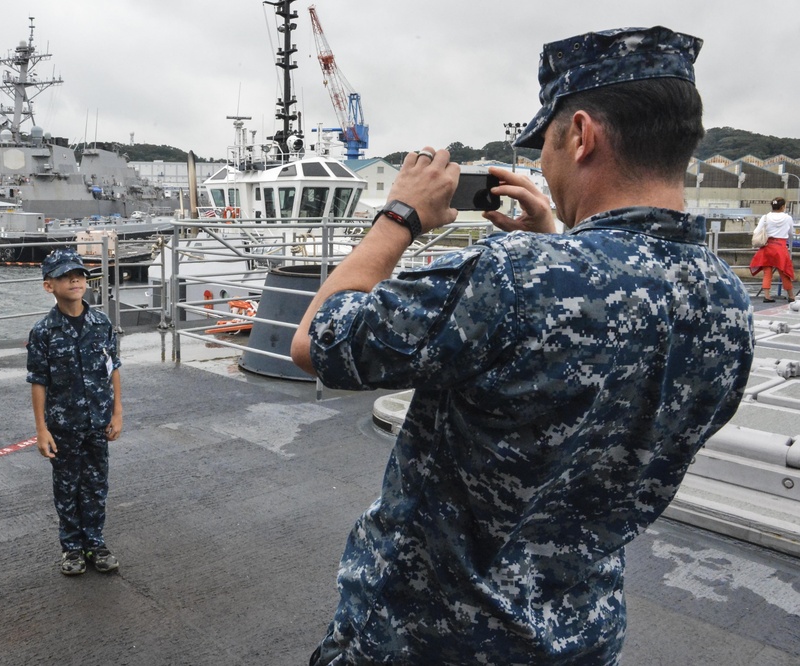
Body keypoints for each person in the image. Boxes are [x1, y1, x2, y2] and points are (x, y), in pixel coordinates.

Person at [292, 26, 754, 664]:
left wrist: (398, 215)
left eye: (549, 145)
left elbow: (318, 341)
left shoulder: (514, 275)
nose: (545, 165)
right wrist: (553, 236)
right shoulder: (726, 297)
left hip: (427, 639)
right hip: (578, 636)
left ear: (583, 135)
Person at [27, 248, 123, 576]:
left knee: (96, 485)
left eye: (79, 275)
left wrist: (117, 412)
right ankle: (71, 547)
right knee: (67, 486)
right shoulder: (43, 332)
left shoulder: (102, 324)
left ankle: (95, 543)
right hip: (63, 425)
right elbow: (38, 382)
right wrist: (41, 429)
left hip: (98, 421)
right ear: (48, 285)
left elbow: (113, 369)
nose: (75, 280)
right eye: (66, 276)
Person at [749, 196, 795, 302]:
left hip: (767, 247)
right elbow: (791, 233)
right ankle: (791, 296)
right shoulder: (788, 218)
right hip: (781, 248)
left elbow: (756, 231)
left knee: (767, 272)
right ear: (783, 206)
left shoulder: (765, 217)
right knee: (784, 272)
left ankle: (767, 296)